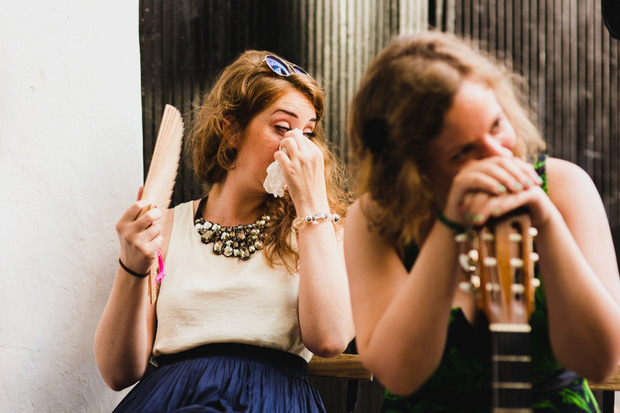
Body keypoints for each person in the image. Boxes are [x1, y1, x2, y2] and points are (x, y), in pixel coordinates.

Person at [344, 31, 620, 412]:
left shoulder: (565, 185)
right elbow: (399, 373)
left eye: (496, 126)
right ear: (413, 170)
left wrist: (549, 223)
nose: (498, 154)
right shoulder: (376, 218)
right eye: (463, 153)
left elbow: (600, 360)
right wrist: (451, 226)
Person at [94, 50, 355, 412]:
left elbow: (330, 339)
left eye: (308, 133)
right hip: (172, 400)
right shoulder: (167, 227)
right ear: (231, 129)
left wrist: (311, 203)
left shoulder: (320, 230)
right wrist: (132, 265)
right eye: (282, 127)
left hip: (273, 401)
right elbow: (118, 371)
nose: (299, 146)